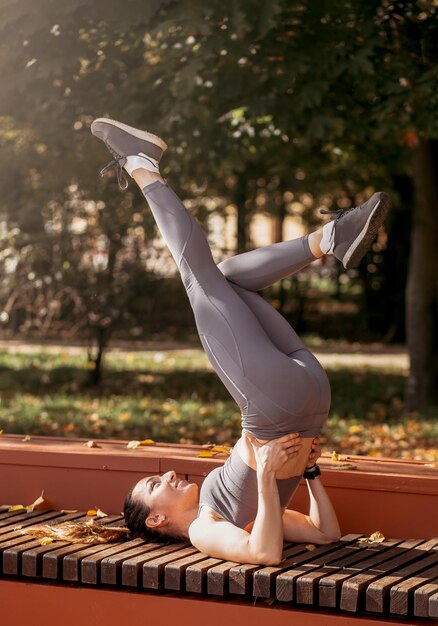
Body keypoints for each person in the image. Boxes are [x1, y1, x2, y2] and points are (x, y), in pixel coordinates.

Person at [24, 118, 390, 565]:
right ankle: (142, 166)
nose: (169, 474)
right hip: (276, 406)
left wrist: (308, 472)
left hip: (306, 393)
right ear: (157, 520)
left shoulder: (226, 507)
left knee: (225, 278)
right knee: (197, 279)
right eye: (155, 486)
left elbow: (323, 533)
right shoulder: (203, 528)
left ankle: (331, 238)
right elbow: (268, 554)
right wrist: (277, 476)